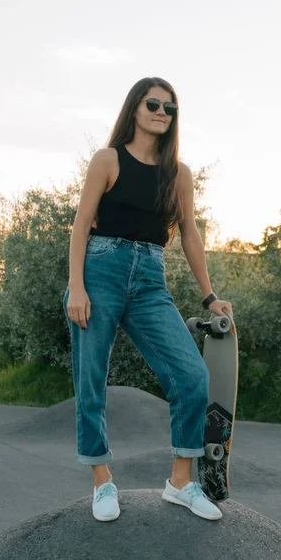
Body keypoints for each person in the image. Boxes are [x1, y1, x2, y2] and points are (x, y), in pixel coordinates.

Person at [63, 76, 234, 522]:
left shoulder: (179, 174)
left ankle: (180, 482)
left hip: (150, 281)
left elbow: (191, 235)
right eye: (153, 104)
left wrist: (210, 296)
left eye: (169, 108)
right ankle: (102, 482)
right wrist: (77, 286)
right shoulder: (108, 160)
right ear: (135, 109)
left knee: (191, 374)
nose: (161, 112)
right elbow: (81, 225)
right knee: (91, 380)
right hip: (99, 271)